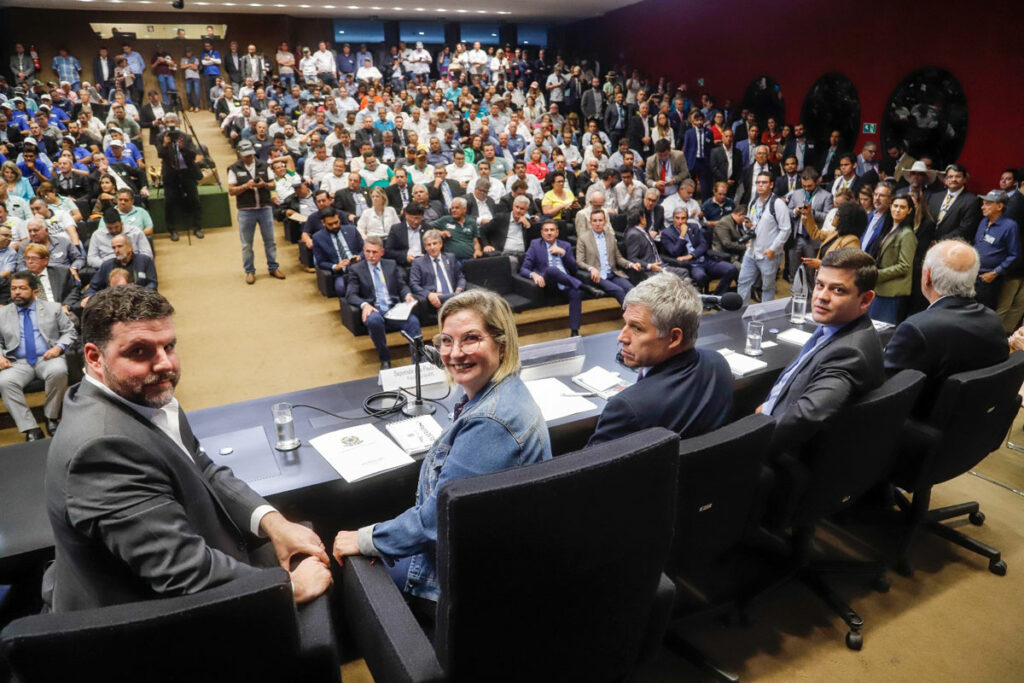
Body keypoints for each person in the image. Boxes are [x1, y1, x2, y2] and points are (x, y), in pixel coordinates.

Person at [43, 286, 332, 612]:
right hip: (148, 619)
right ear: (95, 357)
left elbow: (201, 466)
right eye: (140, 351)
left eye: (169, 346)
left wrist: (273, 523)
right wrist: (289, 588)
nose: (165, 364)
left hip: (192, 552)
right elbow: (184, 572)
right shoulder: (102, 449)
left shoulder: (141, 395)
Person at [332, 289, 552, 603]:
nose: (455, 353)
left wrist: (367, 538)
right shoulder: (503, 393)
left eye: (471, 339)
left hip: (462, 581)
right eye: (446, 340)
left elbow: (437, 520)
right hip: (487, 553)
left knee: (342, 558)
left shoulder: (490, 423)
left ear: (502, 345)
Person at [758, 248, 884, 454]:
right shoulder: (839, 327)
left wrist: (753, 442)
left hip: (791, 456)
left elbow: (805, 417)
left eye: (838, 290)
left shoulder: (850, 353)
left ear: (865, 300)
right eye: (820, 285)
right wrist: (768, 407)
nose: (821, 297)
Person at [588, 272, 732, 445]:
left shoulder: (627, 407)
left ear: (673, 338)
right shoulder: (718, 364)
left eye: (637, 328)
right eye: (625, 323)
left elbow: (588, 470)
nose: (622, 337)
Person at [884, 240, 1009, 415]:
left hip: (917, 426)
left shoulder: (917, 329)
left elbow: (884, 392)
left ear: (927, 276)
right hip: (969, 424)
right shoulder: (993, 320)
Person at [0, 270, 76, 441]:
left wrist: (58, 347)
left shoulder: (53, 308)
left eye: (22, 288)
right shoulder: (2, 313)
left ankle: (51, 416)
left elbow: (69, 332)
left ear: (35, 291)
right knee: (5, 382)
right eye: (13, 289)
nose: (17, 292)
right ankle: (30, 428)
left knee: (58, 371)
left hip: (47, 357)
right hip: (17, 362)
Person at [345, 235, 421, 370]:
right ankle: (384, 358)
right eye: (367, 251)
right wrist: (364, 305)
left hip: (393, 308)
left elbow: (401, 286)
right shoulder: (356, 269)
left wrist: (408, 295)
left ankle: (419, 362)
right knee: (374, 320)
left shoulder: (390, 265)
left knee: (413, 321)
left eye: (374, 252)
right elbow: (351, 295)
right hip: (374, 308)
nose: (370, 255)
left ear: (382, 252)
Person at [228, 140, 284, 285]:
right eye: (245, 155)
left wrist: (264, 184)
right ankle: (250, 270)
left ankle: (273, 267)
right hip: (246, 211)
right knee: (247, 244)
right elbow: (231, 190)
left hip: (265, 208)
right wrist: (246, 186)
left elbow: (273, 184)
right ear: (239, 154)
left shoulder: (264, 165)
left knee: (270, 241)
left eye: (250, 155)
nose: (248, 157)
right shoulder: (234, 168)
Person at [520, 220, 584, 336]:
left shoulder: (565, 246)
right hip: (548, 285)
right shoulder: (535, 245)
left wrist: (563, 254)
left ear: (557, 233)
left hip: (566, 283)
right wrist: (534, 275)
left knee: (576, 292)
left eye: (552, 230)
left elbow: (574, 269)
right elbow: (524, 269)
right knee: (551, 270)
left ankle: (574, 330)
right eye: (546, 230)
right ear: (542, 233)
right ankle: (583, 286)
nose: (549, 233)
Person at [736, 172, 791, 303]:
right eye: (758, 182)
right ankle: (739, 314)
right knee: (743, 282)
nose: (760, 185)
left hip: (769, 255)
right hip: (752, 252)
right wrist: (747, 225)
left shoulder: (777, 204)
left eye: (764, 182)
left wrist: (773, 248)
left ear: (771, 185)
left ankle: (766, 315)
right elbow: (750, 224)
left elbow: (786, 229)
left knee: (767, 287)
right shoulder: (753, 201)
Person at [662, 206, 739, 295]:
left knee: (731, 269)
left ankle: (717, 296)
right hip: (691, 265)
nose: (680, 221)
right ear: (673, 218)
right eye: (677, 218)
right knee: (700, 276)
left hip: (705, 259)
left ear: (687, 219)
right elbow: (674, 252)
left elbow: (703, 244)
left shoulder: (694, 227)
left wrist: (692, 255)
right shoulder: (667, 233)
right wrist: (682, 235)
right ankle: (700, 300)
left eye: (683, 218)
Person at [869, 194, 918, 324]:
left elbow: (904, 266)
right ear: (890, 207)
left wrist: (877, 274)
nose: (897, 210)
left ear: (909, 211)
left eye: (902, 207)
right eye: (895, 206)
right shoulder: (888, 228)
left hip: (892, 292)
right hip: (879, 289)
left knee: (882, 332)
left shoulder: (907, 234)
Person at [575, 208, 641, 304]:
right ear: (590, 223)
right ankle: (632, 317)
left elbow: (618, 258)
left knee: (631, 289)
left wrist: (631, 264)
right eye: (595, 221)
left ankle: (638, 315)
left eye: (600, 220)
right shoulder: (583, 238)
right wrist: (591, 268)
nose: (597, 223)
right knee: (619, 290)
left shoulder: (610, 236)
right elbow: (580, 261)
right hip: (598, 276)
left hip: (613, 274)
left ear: (605, 222)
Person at [973, 190, 1020, 310]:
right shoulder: (983, 221)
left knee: (985, 311)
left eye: (988, 204)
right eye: (983, 203)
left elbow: (1014, 254)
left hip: (990, 278)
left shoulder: (1010, 226)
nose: (982, 207)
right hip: (974, 274)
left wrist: (995, 273)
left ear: (999, 206)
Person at [157, 122, 203, 242]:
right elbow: (160, 155)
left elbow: (193, 155)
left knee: (195, 200)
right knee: (169, 202)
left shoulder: (186, 137)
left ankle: (197, 227)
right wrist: (165, 144)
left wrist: (183, 148)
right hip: (170, 176)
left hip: (187, 173)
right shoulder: (160, 137)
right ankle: (172, 230)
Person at [85, 234, 157, 305]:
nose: (116, 251)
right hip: (114, 304)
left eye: (120, 246)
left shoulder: (144, 260)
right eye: (114, 248)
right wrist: (89, 296)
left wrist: (139, 295)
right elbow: (93, 287)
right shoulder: (107, 265)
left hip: (140, 302)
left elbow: (152, 284)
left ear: (130, 247)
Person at [311, 206, 362, 297]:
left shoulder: (352, 229)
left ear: (338, 217)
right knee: (341, 288)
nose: (334, 226)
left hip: (360, 267)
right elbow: (320, 262)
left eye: (336, 222)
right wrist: (335, 266)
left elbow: (364, 250)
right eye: (330, 224)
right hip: (342, 273)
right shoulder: (318, 238)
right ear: (323, 223)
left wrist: (359, 257)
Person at [409, 229, 466, 310]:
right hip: (436, 299)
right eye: (429, 245)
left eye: (435, 243)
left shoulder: (450, 257)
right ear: (425, 247)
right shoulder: (418, 263)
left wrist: (459, 288)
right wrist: (428, 294)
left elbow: (460, 277)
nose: (432, 247)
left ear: (441, 244)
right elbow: (414, 284)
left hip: (454, 294)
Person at [928, 164, 981, 242]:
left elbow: (965, 229)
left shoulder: (972, 200)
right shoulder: (935, 197)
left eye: (958, 176)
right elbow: (927, 220)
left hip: (951, 245)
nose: (953, 179)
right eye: (950, 176)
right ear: (945, 180)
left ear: (965, 179)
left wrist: (940, 241)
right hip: (928, 242)